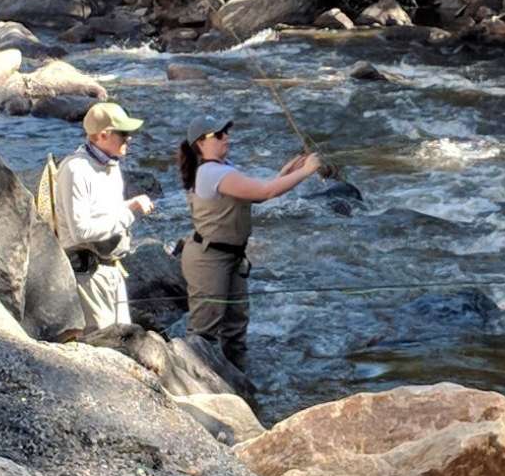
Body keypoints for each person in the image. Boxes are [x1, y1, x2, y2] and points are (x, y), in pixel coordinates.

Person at [178, 113, 320, 372]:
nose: (225, 137)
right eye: (217, 134)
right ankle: (193, 380)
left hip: (230, 256)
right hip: (209, 260)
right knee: (203, 332)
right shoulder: (211, 172)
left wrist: (289, 172)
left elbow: (258, 194)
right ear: (200, 143)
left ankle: (237, 380)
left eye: (226, 131)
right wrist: (306, 171)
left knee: (235, 328)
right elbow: (265, 192)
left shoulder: (222, 169)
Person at [55, 102, 155, 332]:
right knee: (105, 344)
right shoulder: (76, 170)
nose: (129, 138)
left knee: (126, 341)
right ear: (103, 135)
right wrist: (129, 213)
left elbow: (105, 213)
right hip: (88, 274)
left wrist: (129, 205)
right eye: (123, 133)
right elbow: (81, 231)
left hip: (112, 269)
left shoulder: (110, 165)